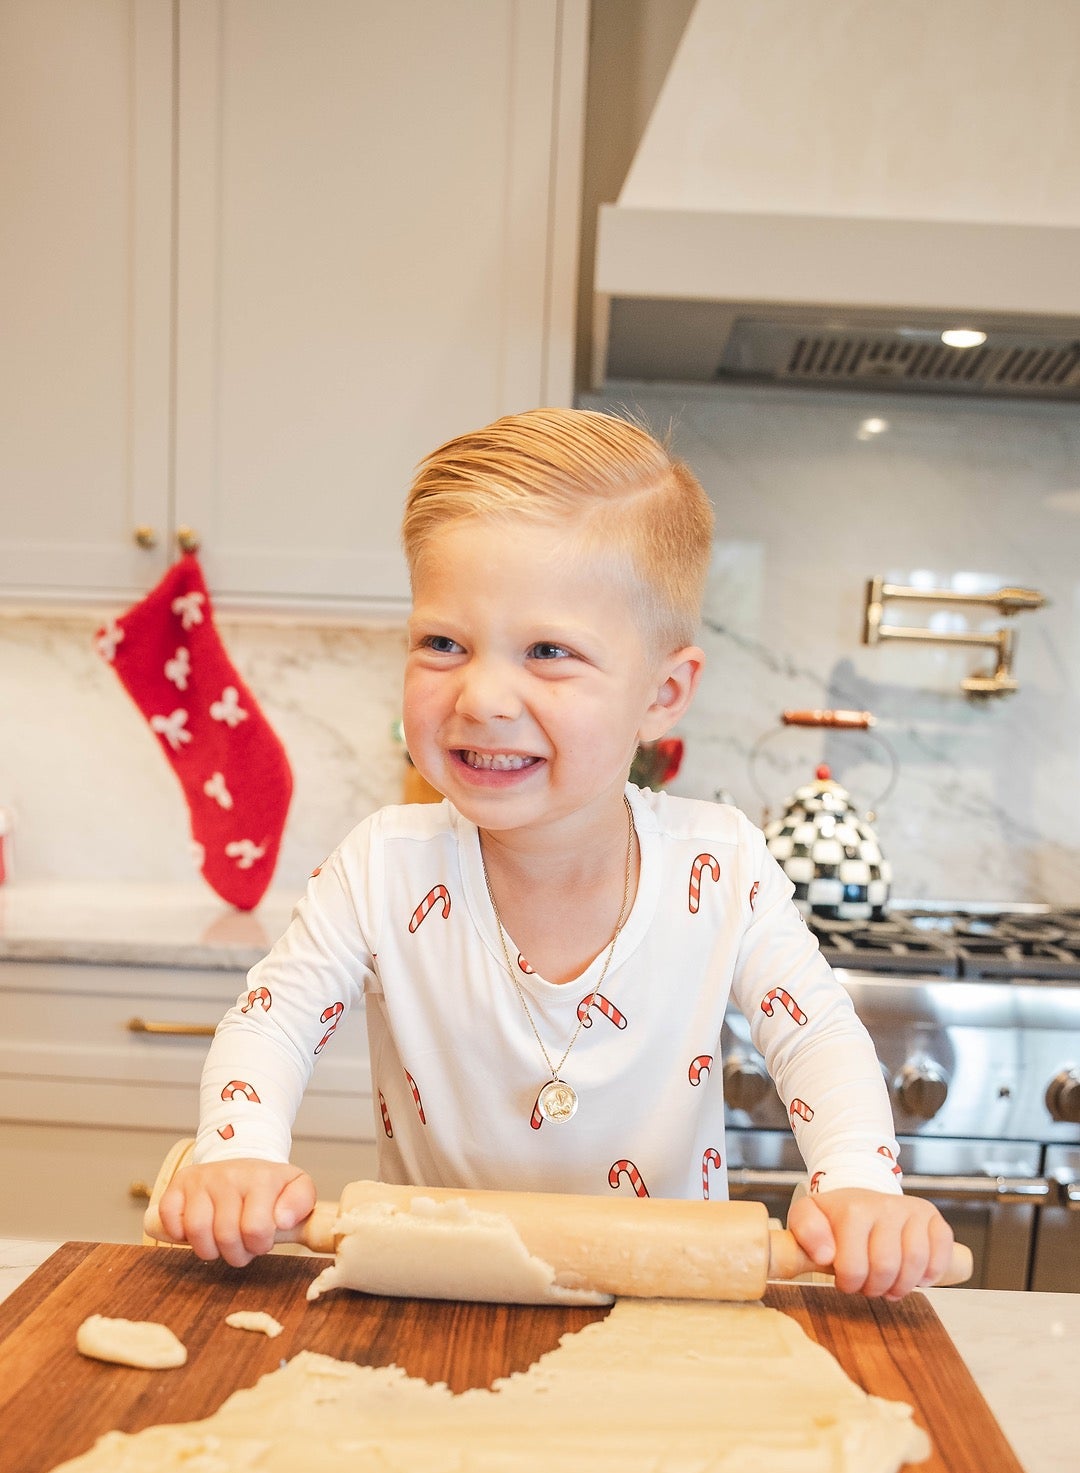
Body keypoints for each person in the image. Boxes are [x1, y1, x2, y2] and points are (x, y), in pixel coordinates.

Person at [157, 408, 955, 1299]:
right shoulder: (382, 866)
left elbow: (816, 1034)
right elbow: (273, 1021)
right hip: (438, 1302)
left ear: (663, 693)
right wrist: (238, 1155)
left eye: (548, 652)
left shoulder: (722, 864)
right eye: (443, 644)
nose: (483, 697)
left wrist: (860, 1184)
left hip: (668, 1307)